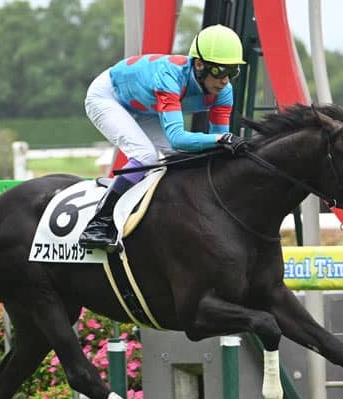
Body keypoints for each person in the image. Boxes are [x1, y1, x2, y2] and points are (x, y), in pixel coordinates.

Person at [79, 24, 248, 251]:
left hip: (145, 107)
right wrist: (221, 140)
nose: (225, 80)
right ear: (199, 65)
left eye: (232, 72)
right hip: (108, 97)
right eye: (219, 71)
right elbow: (178, 137)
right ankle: (98, 224)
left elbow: (217, 144)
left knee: (180, 158)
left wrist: (227, 145)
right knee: (145, 155)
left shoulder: (224, 92)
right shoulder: (171, 76)